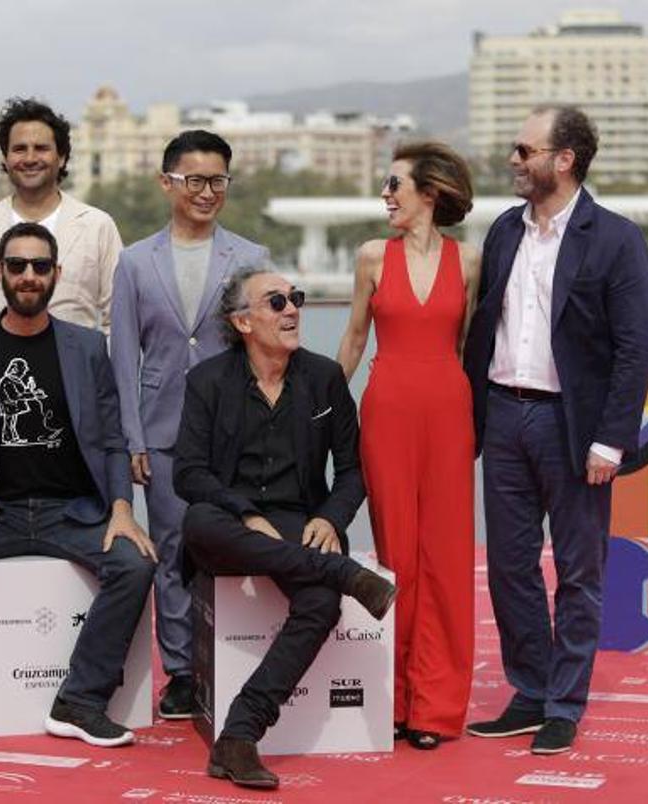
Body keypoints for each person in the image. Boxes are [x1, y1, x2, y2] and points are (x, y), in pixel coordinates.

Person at [0, 222, 157, 746]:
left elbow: (113, 438)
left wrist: (120, 507)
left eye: (39, 266)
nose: (28, 276)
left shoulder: (88, 347)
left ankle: (80, 701)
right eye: (17, 266)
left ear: (56, 275)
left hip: (73, 513)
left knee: (135, 563)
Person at [463, 105, 648, 755]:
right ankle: (529, 690)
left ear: (563, 159)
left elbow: (633, 350)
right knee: (509, 567)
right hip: (503, 416)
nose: (514, 160)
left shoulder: (615, 238)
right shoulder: (502, 232)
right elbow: (479, 328)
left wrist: (611, 440)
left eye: (525, 150)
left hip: (570, 427)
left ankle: (564, 704)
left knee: (577, 571)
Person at [175, 267, 398, 790]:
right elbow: (188, 472)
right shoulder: (206, 381)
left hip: (300, 519)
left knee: (320, 602)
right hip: (230, 521)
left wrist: (329, 517)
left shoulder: (323, 378)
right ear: (243, 321)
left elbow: (350, 471)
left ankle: (239, 735)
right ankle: (340, 570)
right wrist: (244, 512)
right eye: (276, 302)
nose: (292, 309)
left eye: (295, 298)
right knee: (197, 521)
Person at [109, 129, 269, 720]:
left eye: (218, 181)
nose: (207, 192)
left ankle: (233, 662)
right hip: (162, 430)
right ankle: (180, 671)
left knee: (235, 547)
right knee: (175, 550)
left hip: (234, 432)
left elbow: (266, 352)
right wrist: (132, 437)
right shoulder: (133, 262)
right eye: (195, 180)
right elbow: (123, 357)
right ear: (168, 182)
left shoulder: (250, 258)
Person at [335, 142, 480, 751]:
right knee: (396, 555)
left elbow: (472, 348)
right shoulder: (372, 257)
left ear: (431, 192)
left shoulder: (470, 260)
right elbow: (352, 341)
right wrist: (313, 412)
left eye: (395, 185)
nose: (386, 196)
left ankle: (437, 707)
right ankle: (395, 699)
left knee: (446, 557)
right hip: (386, 413)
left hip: (450, 413)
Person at [0, 97, 123, 332]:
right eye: (20, 149)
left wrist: (95, 365)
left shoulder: (98, 226)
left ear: (61, 157)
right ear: (5, 158)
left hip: (75, 367)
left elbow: (119, 320)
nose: (30, 159)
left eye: (41, 148)